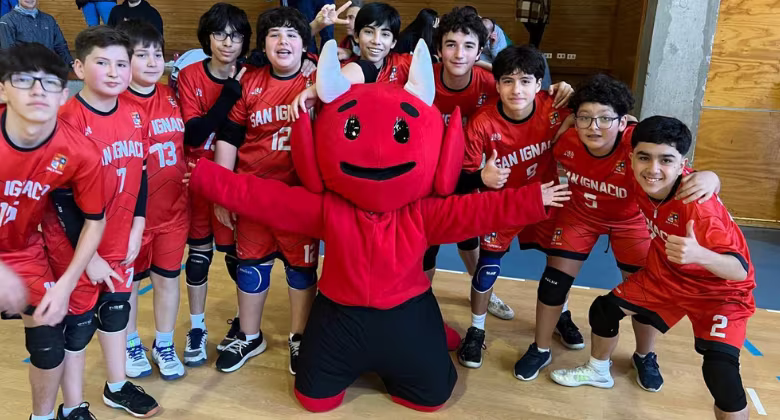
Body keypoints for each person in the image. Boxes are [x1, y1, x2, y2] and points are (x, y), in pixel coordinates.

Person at [187, 39, 571, 413]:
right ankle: (430, 336)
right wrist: (207, 177)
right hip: (340, 314)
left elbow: (478, 211)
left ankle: (433, 333)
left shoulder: (421, 211)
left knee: (432, 395)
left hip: (406, 313)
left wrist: (532, 199)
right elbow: (263, 197)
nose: (377, 152)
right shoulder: (328, 208)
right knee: (313, 398)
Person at [513, 74, 722, 387]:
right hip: (581, 215)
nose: (593, 127)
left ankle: (644, 356)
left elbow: (678, 168)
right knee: (553, 283)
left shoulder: (638, 145)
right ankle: (540, 348)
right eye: (585, 117)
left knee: (644, 293)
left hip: (631, 221)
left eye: (604, 119)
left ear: (623, 122)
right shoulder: (566, 141)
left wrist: (712, 177)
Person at [550, 116, 755, 420]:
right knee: (604, 310)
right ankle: (598, 371)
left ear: (682, 163)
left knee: (720, 373)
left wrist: (700, 254)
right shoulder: (637, 176)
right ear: (631, 157)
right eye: (645, 157)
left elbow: (740, 271)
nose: (654, 169)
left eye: (666, 160)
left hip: (720, 293)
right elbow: (605, 132)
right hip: (666, 278)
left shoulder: (699, 208)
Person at [41, 25, 160, 417]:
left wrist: (138, 227)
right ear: (78, 67)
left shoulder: (135, 114)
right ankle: (73, 407)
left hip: (121, 235)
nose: (113, 72)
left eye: (121, 64)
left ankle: (117, 384)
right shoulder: (66, 121)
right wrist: (86, 257)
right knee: (77, 327)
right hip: (75, 246)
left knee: (116, 311)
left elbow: (140, 173)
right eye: (102, 62)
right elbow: (59, 196)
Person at [0, 42, 108, 420]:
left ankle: (42, 418)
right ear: (2, 90)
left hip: (21, 247)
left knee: (48, 335)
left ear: (65, 94)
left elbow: (95, 221)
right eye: (23, 79)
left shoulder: (79, 152)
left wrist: (65, 284)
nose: (37, 90)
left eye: (49, 82)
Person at [212, 6, 319, 375]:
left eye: (291, 34)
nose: (283, 41)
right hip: (253, 196)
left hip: (299, 201)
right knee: (251, 267)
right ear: (264, 44)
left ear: (304, 45)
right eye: (274, 34)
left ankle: (300, 336)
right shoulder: (249, 82)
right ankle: (249, 334)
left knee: (300, 269)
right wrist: (223, 191)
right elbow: (229, 136)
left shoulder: (318, 80)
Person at [456, 45, 573, 369]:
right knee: (487, 268)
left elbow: (599, 117)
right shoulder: (482, 123)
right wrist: (483, 176)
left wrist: (573, 95)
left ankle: (561, 314)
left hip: (547, 196)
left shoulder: (556, 108)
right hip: (503, 204)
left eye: (525, 81)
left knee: (560, 264)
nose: (516, 89)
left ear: (539, 84)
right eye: (507, 81)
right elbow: (462, 179)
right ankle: (476, 329)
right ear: (497, 84)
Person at [175, 2, 251, 367]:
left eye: (235, 36)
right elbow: (193, 134)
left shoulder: (254, 72)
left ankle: (243, 323)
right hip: (197, 179)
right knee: (199, 258)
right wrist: (230, 95)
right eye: (220, 34)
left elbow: (296, 49)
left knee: (240, 258)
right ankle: (197, 327)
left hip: (239, 182)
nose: (227, 42)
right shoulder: (190, 75)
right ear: (207, 37)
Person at [116, 19, 189, 381]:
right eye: (140, 55)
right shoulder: (115, 103)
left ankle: (163, 344)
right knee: (128, 283)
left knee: (167, 280)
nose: (150, 62)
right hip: (130, 217)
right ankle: (130, 342)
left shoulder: (173, 95)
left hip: (174, 211)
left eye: (156, 54)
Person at [0, 0, 73, 67]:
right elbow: (8, 54)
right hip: (23, 73)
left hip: (49, 71)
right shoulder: (6, 21)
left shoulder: (49, 20)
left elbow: (61, 47)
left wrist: (71, 64)